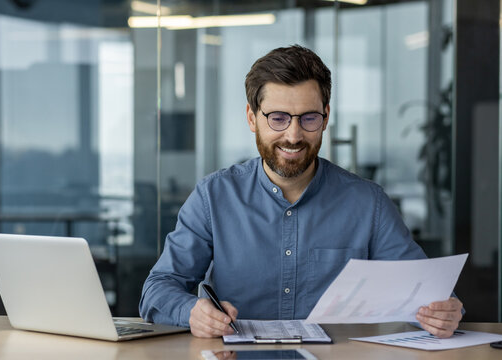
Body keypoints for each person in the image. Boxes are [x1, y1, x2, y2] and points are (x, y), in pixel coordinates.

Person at [139, 45, 463, 339]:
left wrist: (443, 314)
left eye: (308, 118)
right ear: (252, 118)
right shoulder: (213, 198)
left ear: (325, 118)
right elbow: (156, 291)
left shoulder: (368, 204)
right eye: (278, 118)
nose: (293, 135)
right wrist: (193, 313)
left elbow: (428, 295)